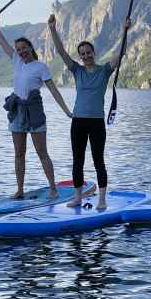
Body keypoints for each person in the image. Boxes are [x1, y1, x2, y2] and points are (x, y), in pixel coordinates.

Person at [48, 14, 131, 210]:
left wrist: (125, 30)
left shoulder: (104, 71)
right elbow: (60, 52)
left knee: (98, 159)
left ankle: (102, 199)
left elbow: (121, 53)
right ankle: (77, 197)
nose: (86, 56)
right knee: (78, 160)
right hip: (78, 121)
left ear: (94, 52)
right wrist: (52, 29)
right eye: (82, 54)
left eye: (88, 52)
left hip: (96, 122)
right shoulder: (77, 71)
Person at [0, 11, 72, 200]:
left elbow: (54, 90)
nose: (21, 51)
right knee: (19, 153)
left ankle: (53, 187)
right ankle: (20, 190)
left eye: (24, 48)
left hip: (35, 113)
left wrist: (67, 111)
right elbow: (2, 42)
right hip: (17, 112)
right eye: (18, 49)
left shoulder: (41, 67)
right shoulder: (17, 61)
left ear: (30, 47)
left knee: (42, 152)